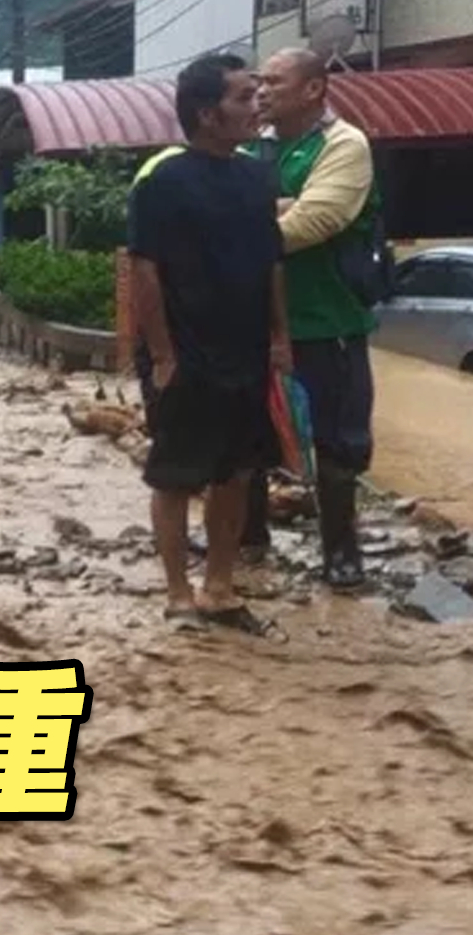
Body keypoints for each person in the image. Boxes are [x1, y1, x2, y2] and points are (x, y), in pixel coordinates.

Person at [129, 55, 291, 637]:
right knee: (175, 474)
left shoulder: (255, 176)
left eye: (258, 95)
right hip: (186, 350)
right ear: (206, 113)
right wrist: (163, 354)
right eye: (244, 98)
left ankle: (220, 587)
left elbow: (272, 260)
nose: (257, 107)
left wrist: (280, 336)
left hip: (246, 349)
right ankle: (177, 594)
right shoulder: (162, 179)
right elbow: (144, 269)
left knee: (240, 471)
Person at [249, 47, 382, 588]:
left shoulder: (345, 145)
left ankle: (342, 554)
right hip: (256, 324)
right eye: (258, 81)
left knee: (337, 442)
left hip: (329, 323)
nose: (261, 91)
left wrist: (237, 223)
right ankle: (249, 541)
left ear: (313, 90)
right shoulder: (254, 149)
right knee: (248, 439)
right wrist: (275, 207)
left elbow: (314, 221)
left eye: (274, 82)